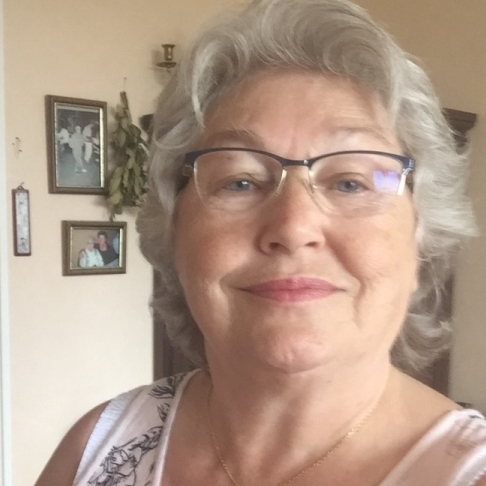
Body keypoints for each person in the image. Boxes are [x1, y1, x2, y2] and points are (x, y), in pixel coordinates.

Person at [35, 1, 486, 485]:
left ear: (421, 235)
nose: (293, 226)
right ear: (174, 230)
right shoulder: (97, 448)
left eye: (350, 183)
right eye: (240, 181)